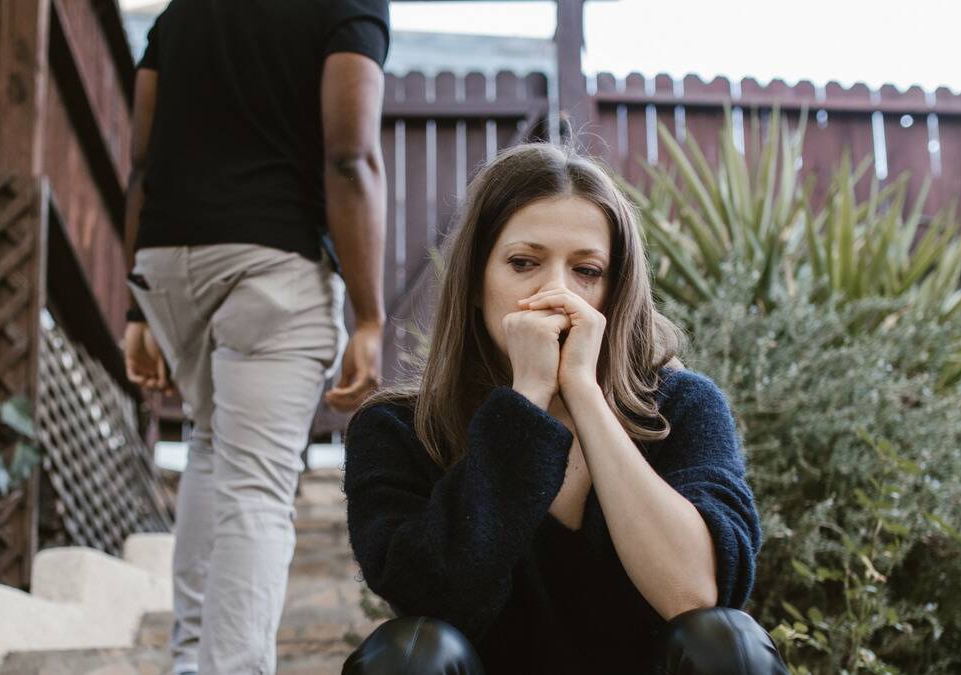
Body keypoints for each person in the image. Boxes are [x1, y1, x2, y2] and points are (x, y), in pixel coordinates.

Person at [340, 143, 789, 674]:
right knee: (407, 654)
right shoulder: (399, 430)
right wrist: (525, 402)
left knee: (725, 640)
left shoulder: (685, 407)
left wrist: (582, 389)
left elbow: (694, 595)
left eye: (587, 271)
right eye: (524, 263)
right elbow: (435, 602)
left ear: (614, 292)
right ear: (477, 284)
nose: (556, 292)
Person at [120, 1, 390, 673]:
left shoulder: (181, 13)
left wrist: (135, 305)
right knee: (258, 488)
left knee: (211, 447)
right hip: (272, 262)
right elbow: (351, 156)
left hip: (168, 261)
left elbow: (140, 160)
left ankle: (192, 662)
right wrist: (368, 315)